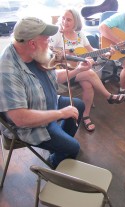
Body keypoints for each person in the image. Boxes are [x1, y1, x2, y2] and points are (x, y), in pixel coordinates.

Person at [0, 17, 93, 168]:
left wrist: (77, 70)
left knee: (78, 105)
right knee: (73, 147)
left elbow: (53, 76)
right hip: (28, 126)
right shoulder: (8, 71)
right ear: (32, 43)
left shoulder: (35, 54)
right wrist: (61, 113)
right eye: (46, 39)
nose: (49, 42)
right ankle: (54, 163)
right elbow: (20, 119)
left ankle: (59, 147)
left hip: (43, 102)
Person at [50, 8, 125, 132]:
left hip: (80, 72)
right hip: (64, 73)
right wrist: (66, 53)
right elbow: (48, 53)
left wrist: (105, 52)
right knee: (90, 73)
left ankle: (85, 115)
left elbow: (91, 50)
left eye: (68, 19)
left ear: (76, 22)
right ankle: (108, 96)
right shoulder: (57, 34)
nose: (64, 22)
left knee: (88, 84)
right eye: (63, 18)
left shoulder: (80, 34)